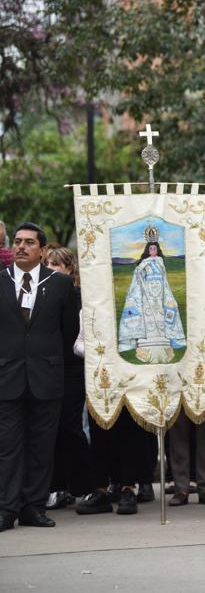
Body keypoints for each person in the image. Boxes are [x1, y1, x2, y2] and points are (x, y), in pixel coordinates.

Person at [0, 223, 78, 531]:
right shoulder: (1, 281)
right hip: (7, 378)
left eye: (29, 242)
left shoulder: (59, 284)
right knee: (8, 447)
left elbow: (68, 331)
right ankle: (7, 508)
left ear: (42, 250)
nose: (21, 246)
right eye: (17, 241)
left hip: (46, 378)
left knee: (42, 446)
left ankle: (33, 507)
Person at [42, 246, 92, 510]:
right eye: (47, 263)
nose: (50, 268)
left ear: (70, 269)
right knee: (53, 431)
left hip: (72, 368)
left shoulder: (78, 296)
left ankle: (86, 483)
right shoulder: (42, 295)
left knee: (70, 427)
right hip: (49, 368)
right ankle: (58, 486)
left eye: (56, 264)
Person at [117, 235, 186, 363]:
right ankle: (148, 337)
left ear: (157, 250)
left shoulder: (161, 262)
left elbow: (164, 279)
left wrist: (167, 294)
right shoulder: (144, 263)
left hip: (160, 294)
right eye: (151, 249)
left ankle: (162, 336)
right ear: (148, 250)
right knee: (148, 314)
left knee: (161, 313)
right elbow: (138, 276)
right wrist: (140, 270)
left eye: (154, 249)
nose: (152, 251)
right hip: (147, 293)